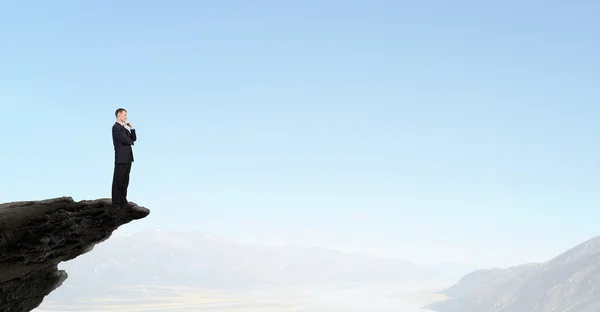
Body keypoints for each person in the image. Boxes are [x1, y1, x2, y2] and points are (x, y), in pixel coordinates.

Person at [111, 108, 137, 208]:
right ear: (119, 115)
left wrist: (132, 128)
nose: (126, 117)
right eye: (125, 115)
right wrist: (130, 141)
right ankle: (116, 202)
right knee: (118, 180)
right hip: (121, 158)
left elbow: (133, 138)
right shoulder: (116, 127)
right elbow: (126, 140)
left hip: (128, 158)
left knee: (125, 180)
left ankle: (123, 200)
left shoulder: (125, 129)